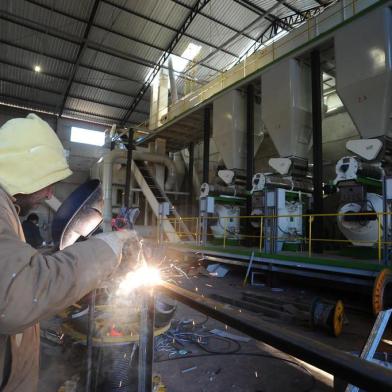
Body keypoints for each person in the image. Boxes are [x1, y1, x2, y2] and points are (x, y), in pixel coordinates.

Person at [0, 114, 132, 391]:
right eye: (48, 182)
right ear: (27, 171)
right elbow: (21, 294)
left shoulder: (7, 209)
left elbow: (13, 266)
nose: (50, 194)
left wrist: (51, 256)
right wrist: (105, 250)